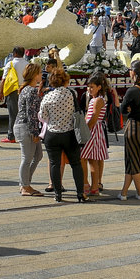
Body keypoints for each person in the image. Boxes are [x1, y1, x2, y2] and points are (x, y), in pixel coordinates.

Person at [39, 67, 87, 202]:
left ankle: (58, 193)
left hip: (53, 134)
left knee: (55, 164)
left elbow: (43, 116)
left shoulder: (47, 97)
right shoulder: (71, 94)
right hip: (69, 133)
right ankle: (80, 193)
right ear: (65, 80)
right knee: (75, 163)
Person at [119, 60, 140, 200]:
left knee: (132, 160)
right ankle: (124, 192)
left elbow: (123, 109)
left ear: (133, 72)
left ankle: (139, 192)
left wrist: (128, 107)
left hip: (133, 128)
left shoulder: (132, 90)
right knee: (134, 160)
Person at [14, 61, 45, 196]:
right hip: (26, 126)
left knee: (38, 155)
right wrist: (34, 132)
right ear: (34, 76)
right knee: (27, 158)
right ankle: (25, 186)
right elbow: (31, 113)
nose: (41, 75)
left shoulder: (26, 89)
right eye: (39, 73)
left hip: (24, 126)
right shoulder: (31, 91)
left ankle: (25, 182)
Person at [82, 72, 111, 194]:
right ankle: (94, 186)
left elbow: (94, 117)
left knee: (83, 156)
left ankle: (87, 184)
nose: (89, 89)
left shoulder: (98, 100)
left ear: (99, 87)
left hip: (93, 130)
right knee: (91, 158)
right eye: (88, 87)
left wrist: (85, 129)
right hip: (94, 130)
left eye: (92, 87)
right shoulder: (95, 99)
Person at [1, 46, 28, 143]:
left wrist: (1, 92)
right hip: (24, 89)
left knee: (13, 114)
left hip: (12, 90)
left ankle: (11, 136)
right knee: (24, 113)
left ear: (15, 53)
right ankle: (25, 135)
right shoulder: (27, 64)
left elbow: (4, 79)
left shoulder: (10, 64)